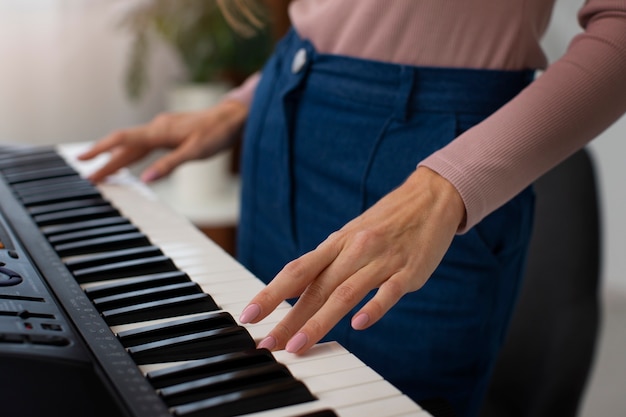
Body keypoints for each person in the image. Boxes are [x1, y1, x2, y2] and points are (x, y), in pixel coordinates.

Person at [79, 1, 626, 416]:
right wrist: (242, 104)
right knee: (264, 393)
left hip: (432, 165)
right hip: (284, 120)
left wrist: (445, 187)